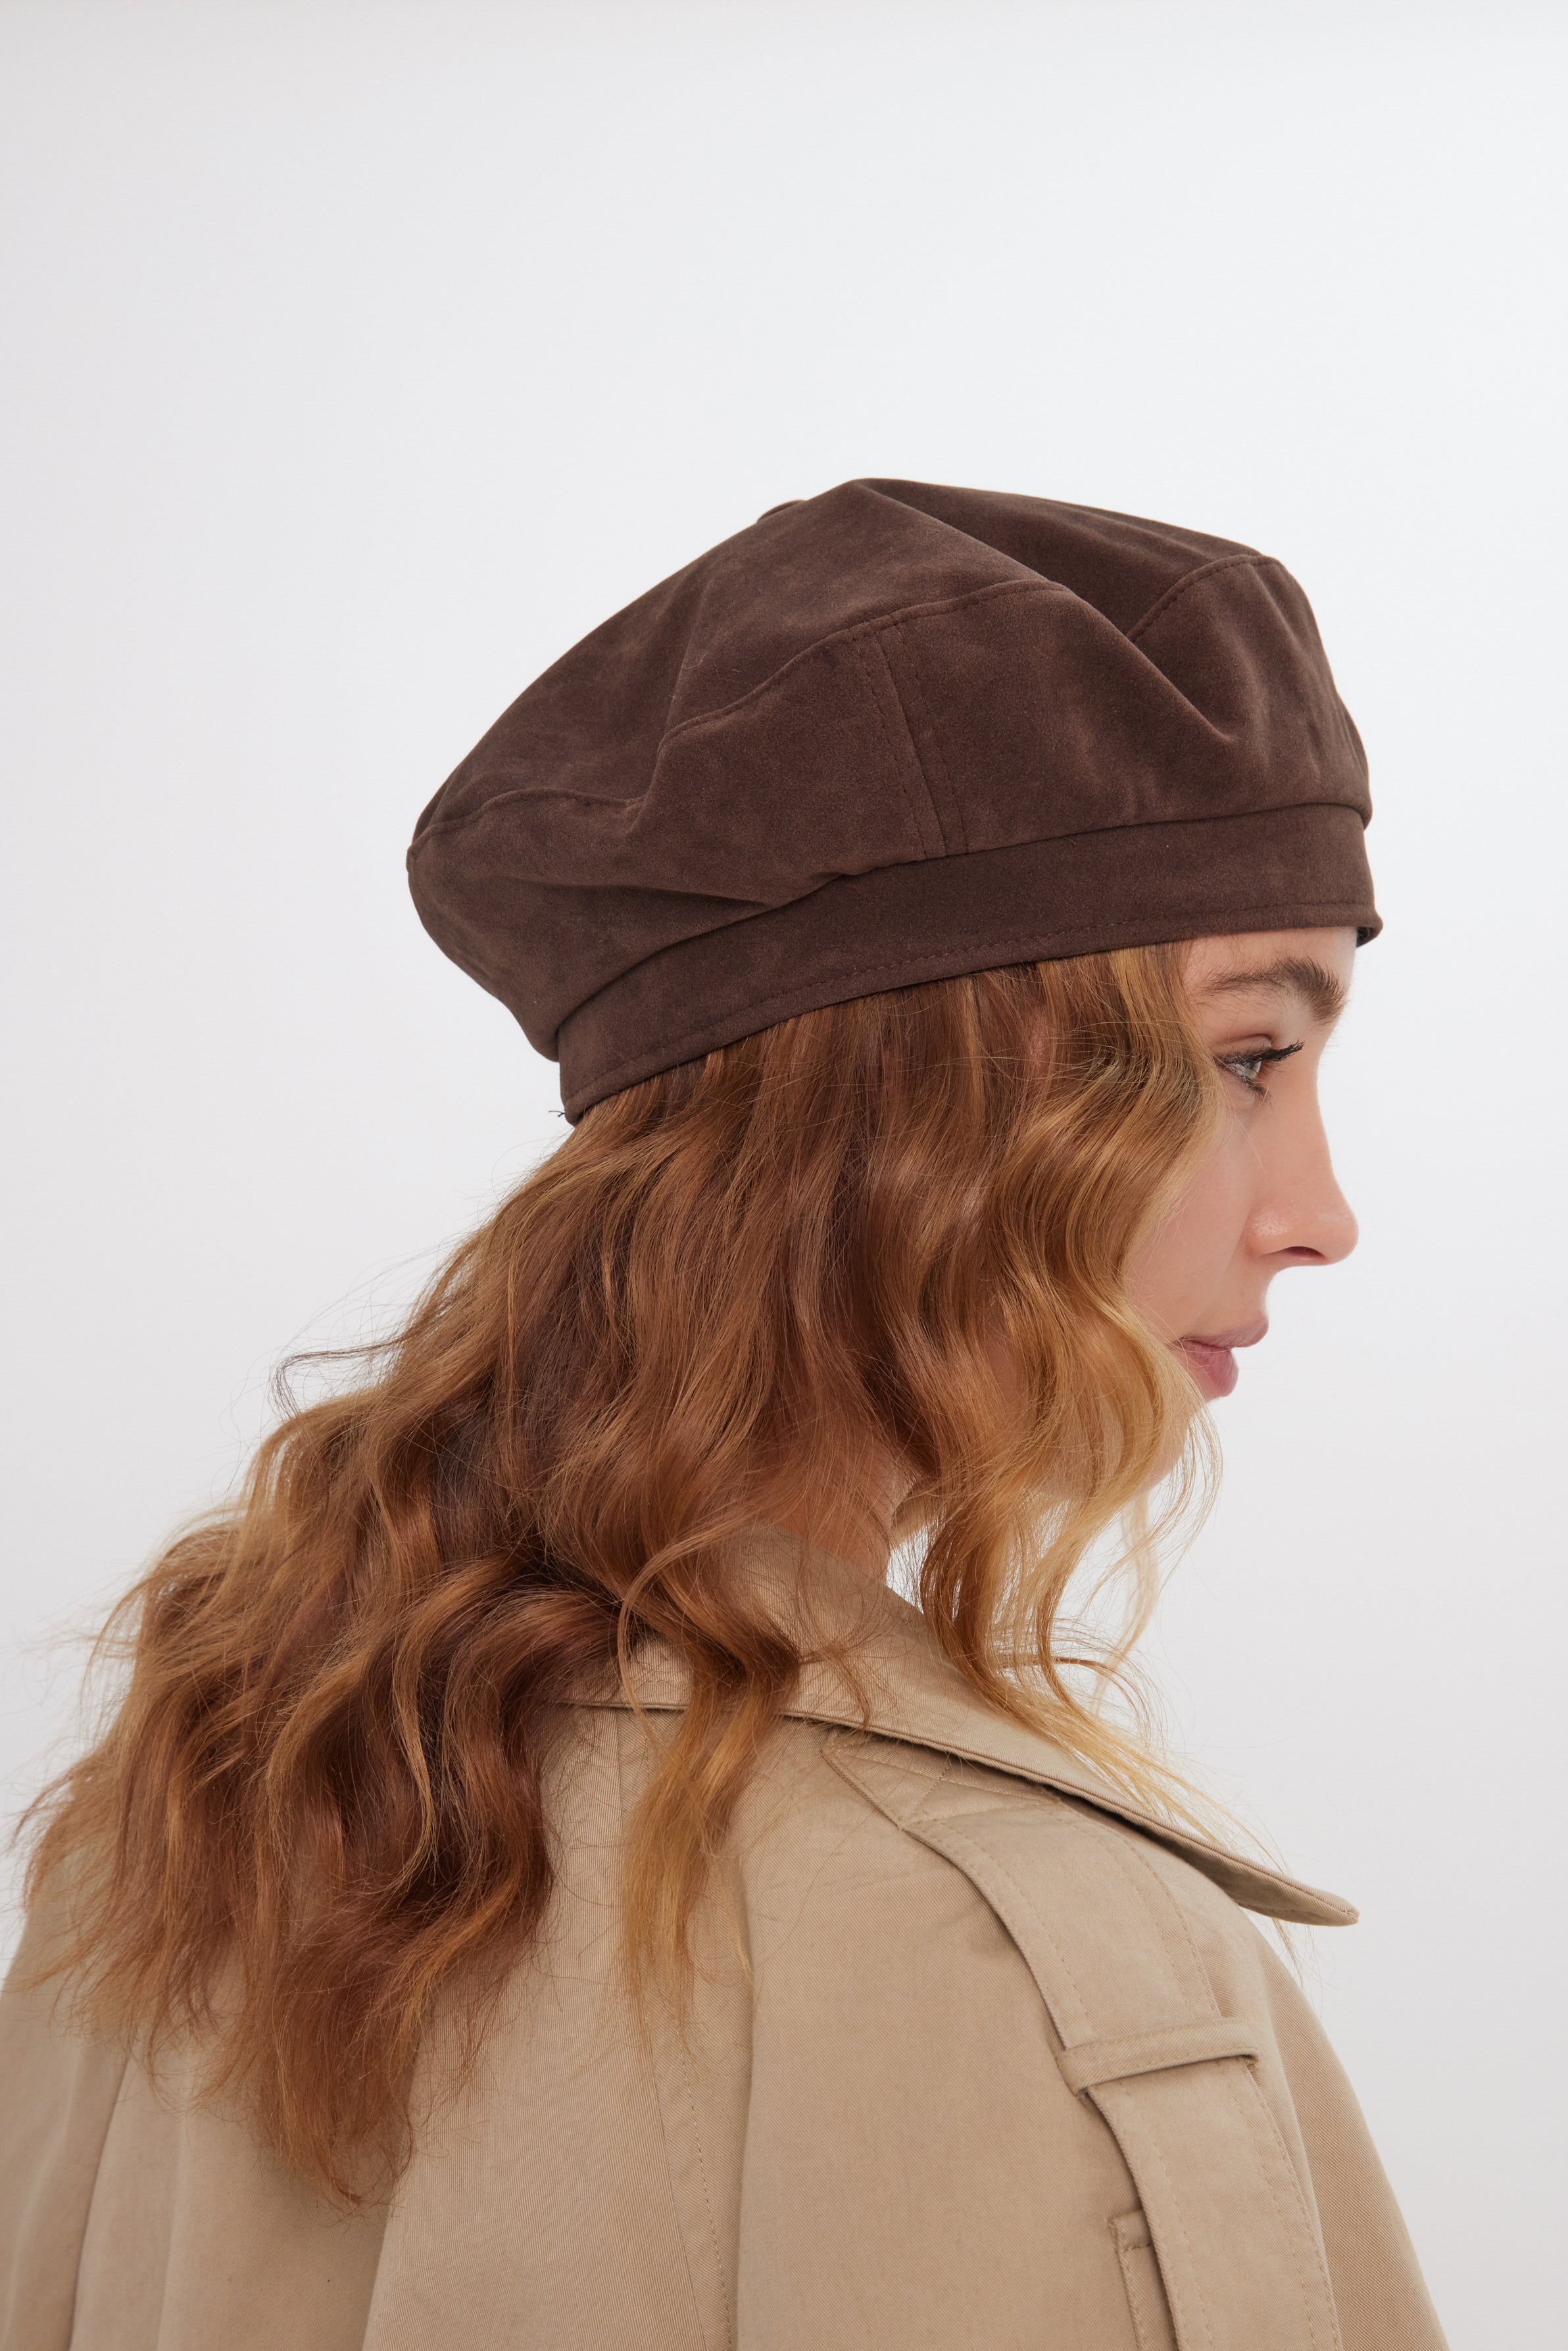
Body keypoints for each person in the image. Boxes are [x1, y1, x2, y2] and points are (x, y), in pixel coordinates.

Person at [0, 482, 1448, 2350]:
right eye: (1251, 1055)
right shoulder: (1022, 1948)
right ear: (915, 1107)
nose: (1319, 1212)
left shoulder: (190, 1827)